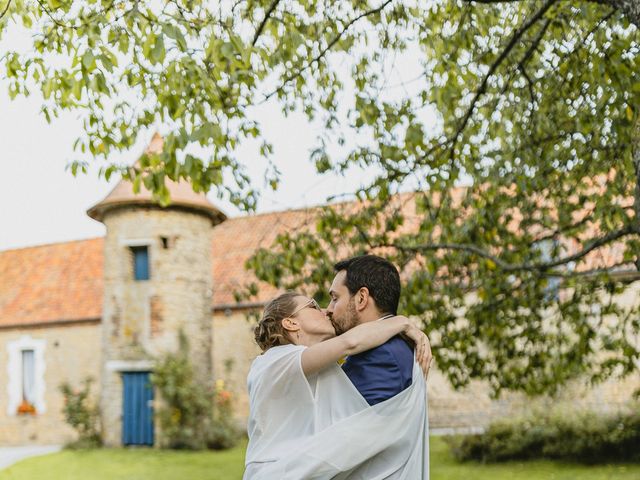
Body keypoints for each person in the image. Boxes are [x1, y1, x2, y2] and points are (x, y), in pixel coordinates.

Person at [244, 284, 431, 478]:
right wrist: (403, 323)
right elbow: (350, 343)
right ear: (291, 323)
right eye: (313, 306)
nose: (326, 311)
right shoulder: (275, 361)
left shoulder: (308, 366)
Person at [327, 255, 415, 405]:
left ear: (361, 298)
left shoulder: (382, 356)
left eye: (335, 298)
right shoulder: (381, 347)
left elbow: (353, 422)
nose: (329, 309)